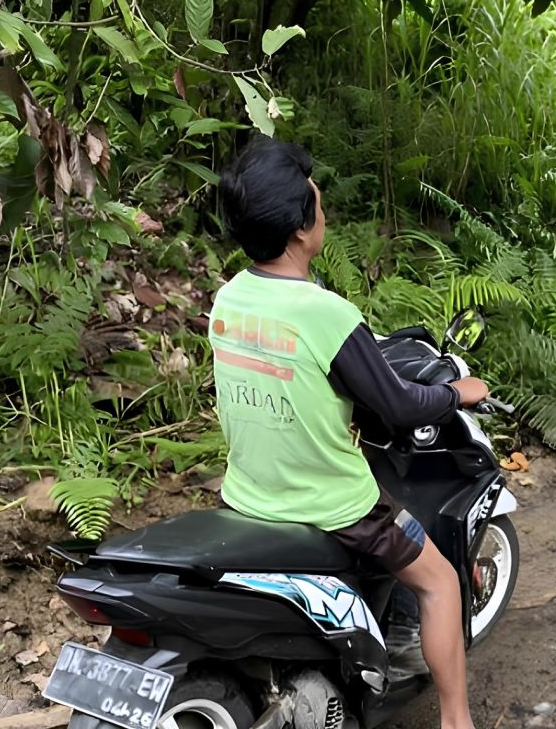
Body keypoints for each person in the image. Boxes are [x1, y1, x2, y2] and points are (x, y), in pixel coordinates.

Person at [209, 137, 488, 729]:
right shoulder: (325, 312)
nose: (323, 210)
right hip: (332, 506)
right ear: (299, 228)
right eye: (317, 201)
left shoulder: (229, 297)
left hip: (245, 495)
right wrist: (457, 393)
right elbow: (401, 404)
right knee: (440, 582)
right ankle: (457, 719)